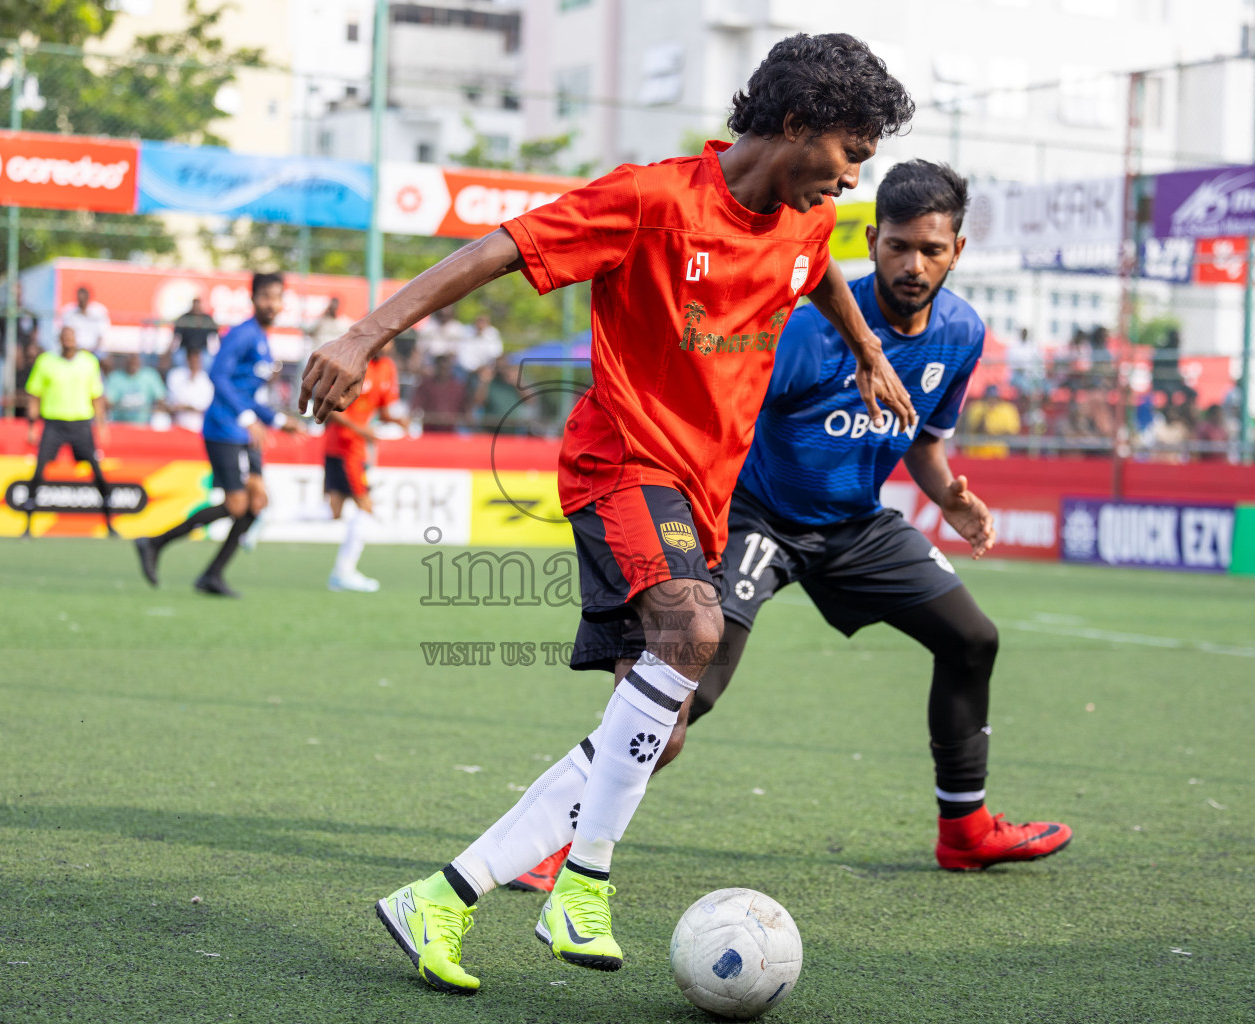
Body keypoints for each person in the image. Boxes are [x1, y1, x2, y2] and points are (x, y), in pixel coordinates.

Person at [301, 32, 916, 995]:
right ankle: (584, 880)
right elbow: (499, 250)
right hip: (619, 463)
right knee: (693, 626)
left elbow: (819, 270)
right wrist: (363, 333)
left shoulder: (805, 217)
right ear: (795, 125)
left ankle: (441, 898)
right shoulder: (652, 198)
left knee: (655, 728)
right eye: (847, 155)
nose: (850, 183)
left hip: (701, 494)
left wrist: (869, 351)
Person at [512, 161, 1070, 895]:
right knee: (689, 689)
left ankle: (964, 830)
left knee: (972, 638)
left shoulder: (962, 332)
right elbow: (726, 409)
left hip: (856, 524)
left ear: (957, 252)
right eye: (898, 245)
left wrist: (952, 497)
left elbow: (925, 437)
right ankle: (556, 839)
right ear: (872, 241)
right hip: (760, 516)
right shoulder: (813, 327)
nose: (913, 264)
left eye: (932, 250)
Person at [134, 272, 300, 598]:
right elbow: (218, 375)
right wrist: (248, 418)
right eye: (266, 296)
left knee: (256, 503)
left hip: (244, 431)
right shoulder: (243, 334)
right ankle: (154, 543)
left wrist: (278, 420)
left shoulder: (265, 341)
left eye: (277, 296)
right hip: (223, 429)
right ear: (253, 300)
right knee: (238, 504)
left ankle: (211, 575)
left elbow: (247, 393)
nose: (272, 303)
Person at [323, 341, 407, 592]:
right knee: (365, 508)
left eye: (392, 337)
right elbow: (330, 406)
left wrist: (400, 421)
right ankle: (343, 572)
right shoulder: (352, 365)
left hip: (356, 448)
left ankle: (266, 517)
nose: (387, 342)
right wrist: (361, 430)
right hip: (345, 447)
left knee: (333, 511)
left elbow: (386, 406)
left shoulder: (388, 367)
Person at [21, 326, 115, 538]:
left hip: (81, 424)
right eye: (65, 337)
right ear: (60, 339)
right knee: (39, 471)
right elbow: (34, 394)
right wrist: (31, 425)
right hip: (53, 424)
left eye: (71, 336)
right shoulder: (46, 362)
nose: (68, 341)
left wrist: (102, 426)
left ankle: (109, 521)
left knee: (97, 472)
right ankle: (27, 524)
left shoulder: (88, 362)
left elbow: (96, 396)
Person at [412, 353, 472, 431]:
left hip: (450, 432)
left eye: (446, 367)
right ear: (436, 367)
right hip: (429, 431)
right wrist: (431, 417)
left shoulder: (458, 387)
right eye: (441, 367)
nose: (443, 370)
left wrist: (452, 418)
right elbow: (415, 407)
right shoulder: (426, 385)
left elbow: (466, 412)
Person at [104, 352, 168, 425]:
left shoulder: (150, 376)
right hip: (120, 423)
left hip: (144, 424)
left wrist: (156, 409)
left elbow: (161, 398)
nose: (133, 362)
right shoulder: (116, 377)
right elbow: (109, 401)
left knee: (162, 420)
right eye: (130, 358)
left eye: (136, 359)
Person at [165, 348, 214, 432]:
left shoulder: (206, 380)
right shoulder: (176, 375)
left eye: (196, 361)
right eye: (192, 360)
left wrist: (186, 407)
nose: (194, 364)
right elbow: (173, 403)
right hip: (177, 425)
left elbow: (204, 407)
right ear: (187, 360)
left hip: (197, 428)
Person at [61, 286, 111, 354]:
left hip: (95, 350)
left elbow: (102, 335)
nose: (82, 301)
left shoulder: (99, 311)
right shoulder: (69, 312)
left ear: (89, 298)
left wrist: (92, 350)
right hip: (74, 350)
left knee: (106, 362)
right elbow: (66, 334)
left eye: (84, 298)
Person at [170, 297, 218, 368]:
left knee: (208, 361)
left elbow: (214, 336)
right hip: (186, 349)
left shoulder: (207, 319)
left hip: (202, 349)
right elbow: (176, 336)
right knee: (178, 359)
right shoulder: (185, 318)